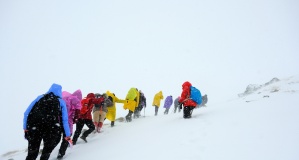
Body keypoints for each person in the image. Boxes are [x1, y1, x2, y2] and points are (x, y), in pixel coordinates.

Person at [23, 83, 71, 160]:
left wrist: (25, 128)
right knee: (46, 153)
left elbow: (26, 113)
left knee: (32, 153)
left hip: (35, 127)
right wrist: (67, 135)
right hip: (51, 129)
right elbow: (64, 120)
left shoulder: (40, 97)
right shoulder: (61, 101)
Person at [57, 89, 82, 159]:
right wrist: (76, 118)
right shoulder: (74, 99)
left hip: (58, 121)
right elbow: (77, 110)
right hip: (67, 122)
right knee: (67, 136)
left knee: (57, 137)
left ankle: (49, 152)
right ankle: (61, 154)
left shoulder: (64, 97)